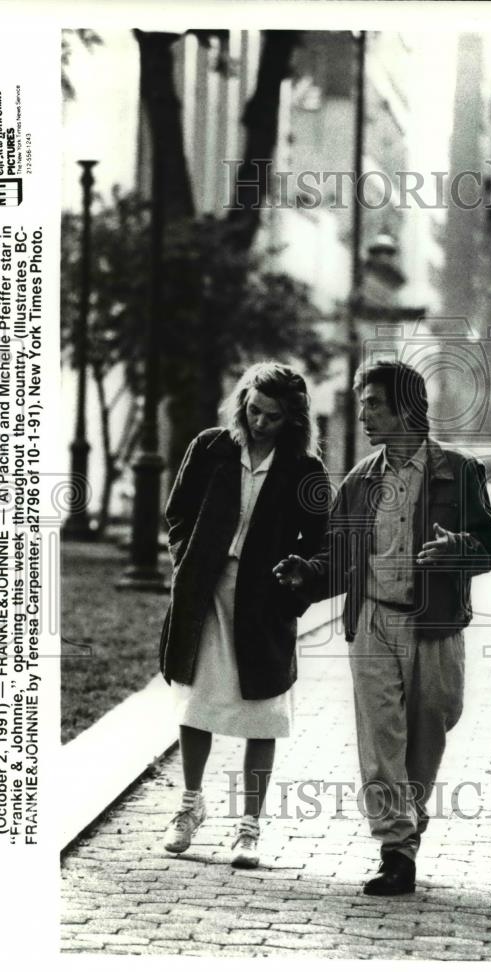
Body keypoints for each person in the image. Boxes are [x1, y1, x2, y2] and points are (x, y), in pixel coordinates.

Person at [274, 360, 491, 895]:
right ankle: (395, 850)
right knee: (381, 743)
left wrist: (458, 550)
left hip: (436, 626)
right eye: (363, 405)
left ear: (407, 409)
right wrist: (306, 574)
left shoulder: (461, 472)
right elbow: (338, 557)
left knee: (431, 727)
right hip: (373, 620)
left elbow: (488, 545)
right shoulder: (359, 481)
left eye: (374, 405)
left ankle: (409, 819)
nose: (365, 415)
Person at [159, 362, 329, 868]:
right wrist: (188, 562)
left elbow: (322, 543)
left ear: (293, 421)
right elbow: (177, 513)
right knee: (196, 702)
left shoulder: (306, 471)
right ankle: (189, 807)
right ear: (243, 403)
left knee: (263, 713)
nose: (258, 422)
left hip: (265, 603)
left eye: (272, 417)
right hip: (205, 593)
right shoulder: (211, 447)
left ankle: (249, 827)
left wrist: (297, 581)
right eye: (253, 410)